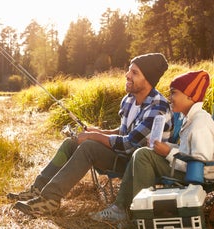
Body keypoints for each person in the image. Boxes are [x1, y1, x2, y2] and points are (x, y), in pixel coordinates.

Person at [7, 53, 172, 216]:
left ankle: (49, 201)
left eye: (135, 73)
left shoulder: (158, 106)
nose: (127, 75)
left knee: (89, 147)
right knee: (71, 143)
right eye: (129, 70)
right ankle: (37, 190)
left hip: (135, 164)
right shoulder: (129, 99)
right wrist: (98, 131)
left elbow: (129, 144)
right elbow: (123, 132)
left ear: (148, 80)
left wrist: (94, 137)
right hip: (121, 155)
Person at [90, 70, 214, 222]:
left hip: (198, 177)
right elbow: (187, 152)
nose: (170, 98)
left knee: (143, 155)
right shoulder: (189, 118)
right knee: (142, 153)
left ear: (190, 96)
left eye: (174, 93)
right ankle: (122, 208)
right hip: (187, 169)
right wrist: (165, 146)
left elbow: (200, 165)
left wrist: (168, 152)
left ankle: (139, 216)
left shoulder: (200, 123)